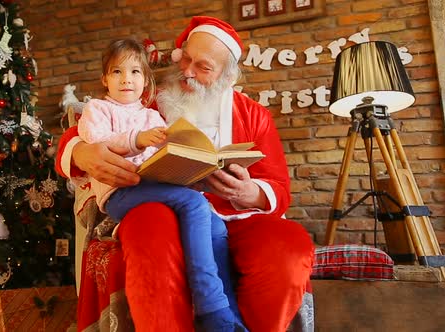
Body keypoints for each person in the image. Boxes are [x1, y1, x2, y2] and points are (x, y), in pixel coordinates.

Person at [56, 16, 315, 332]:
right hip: (163, 207)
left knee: (289, 247)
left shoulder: (253, 114)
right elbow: (84, 130)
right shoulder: (149, 99)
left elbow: (279, 188)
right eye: (185, 59)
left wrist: (249, 193)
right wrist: (81, 151)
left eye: (202, 67)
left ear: (226, 75)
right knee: (149, 230)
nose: (187, 71)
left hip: (236, 217)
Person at [76, 38, 246, 331]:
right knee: (194, 204)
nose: (127, 79)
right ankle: (210, 307)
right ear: (105, 79)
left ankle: (228, 313)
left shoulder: (152, 116)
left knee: (215, 224)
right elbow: (97, 141)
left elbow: (162, 157)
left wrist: (189, 165)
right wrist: (136, 140)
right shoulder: (97, 109)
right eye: (117, 72)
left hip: (151, 186)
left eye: (135, 72)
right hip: (120, 193)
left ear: (146, 79)